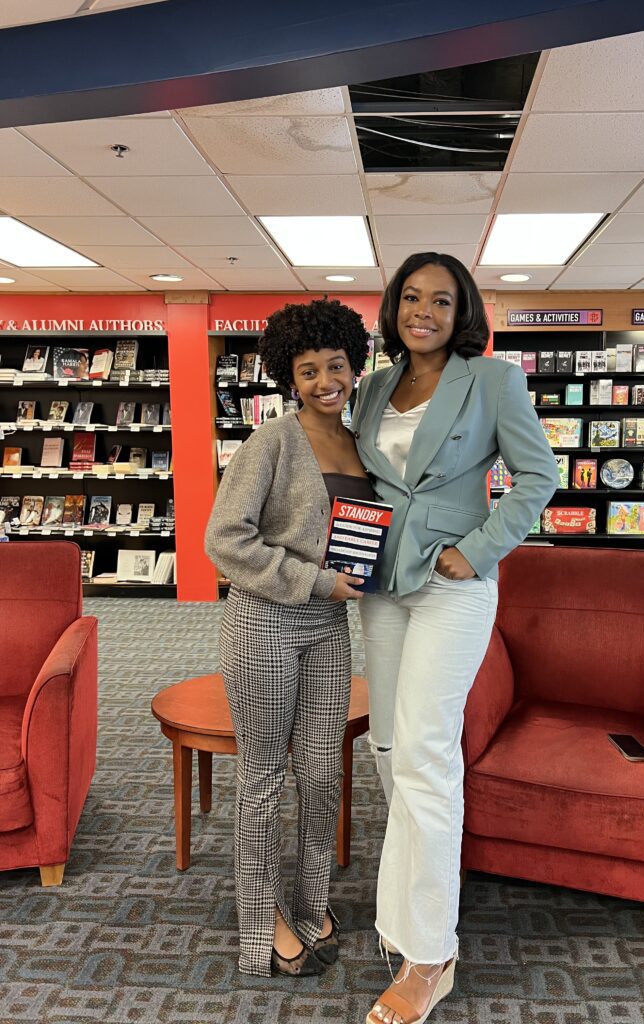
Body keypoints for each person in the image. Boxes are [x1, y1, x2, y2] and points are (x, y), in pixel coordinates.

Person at [352, 252, 560, 1024]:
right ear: (394, 307)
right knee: (388, 746)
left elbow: (539, 478)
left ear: (462, 309)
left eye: (442, 300)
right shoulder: (375, 386)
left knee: (428, 751)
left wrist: (474, 550)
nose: (425, 312)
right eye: (411, 297)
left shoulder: (493, 379)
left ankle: (430, 952)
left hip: (453, 583)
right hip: (382, 584)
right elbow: (364, 482)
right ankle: (404, 914)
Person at [204, 298, 372, 978]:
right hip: (266, 621)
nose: (325, 380)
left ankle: (312, 900)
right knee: (264, 779)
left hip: (328, 627)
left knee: (322, 773)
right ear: (289, 377)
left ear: (355, 368)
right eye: (309, 370)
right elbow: (224, 539)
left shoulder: (362, 441)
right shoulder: (269, 442)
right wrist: (316, 581)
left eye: (336, 365)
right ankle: (261, 922)